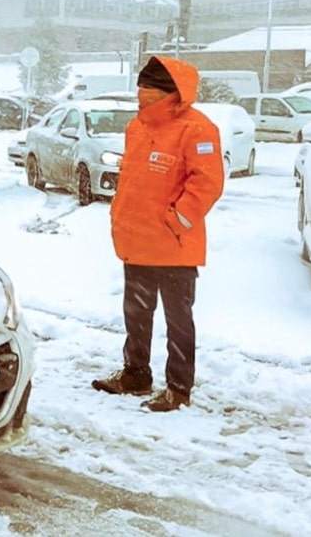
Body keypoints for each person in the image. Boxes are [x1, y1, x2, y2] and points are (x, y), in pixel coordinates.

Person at [92, 56, 225, 412]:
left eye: (149, 94)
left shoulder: (198, 129)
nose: (141, 99)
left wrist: (176, 220)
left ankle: (178, 388)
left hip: (173, 245)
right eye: (140, 93)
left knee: (177, 320)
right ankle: (136, 373)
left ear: (170, 94)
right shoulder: (137, 127)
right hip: (136, 240)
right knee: (136, 313)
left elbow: (207, 183)